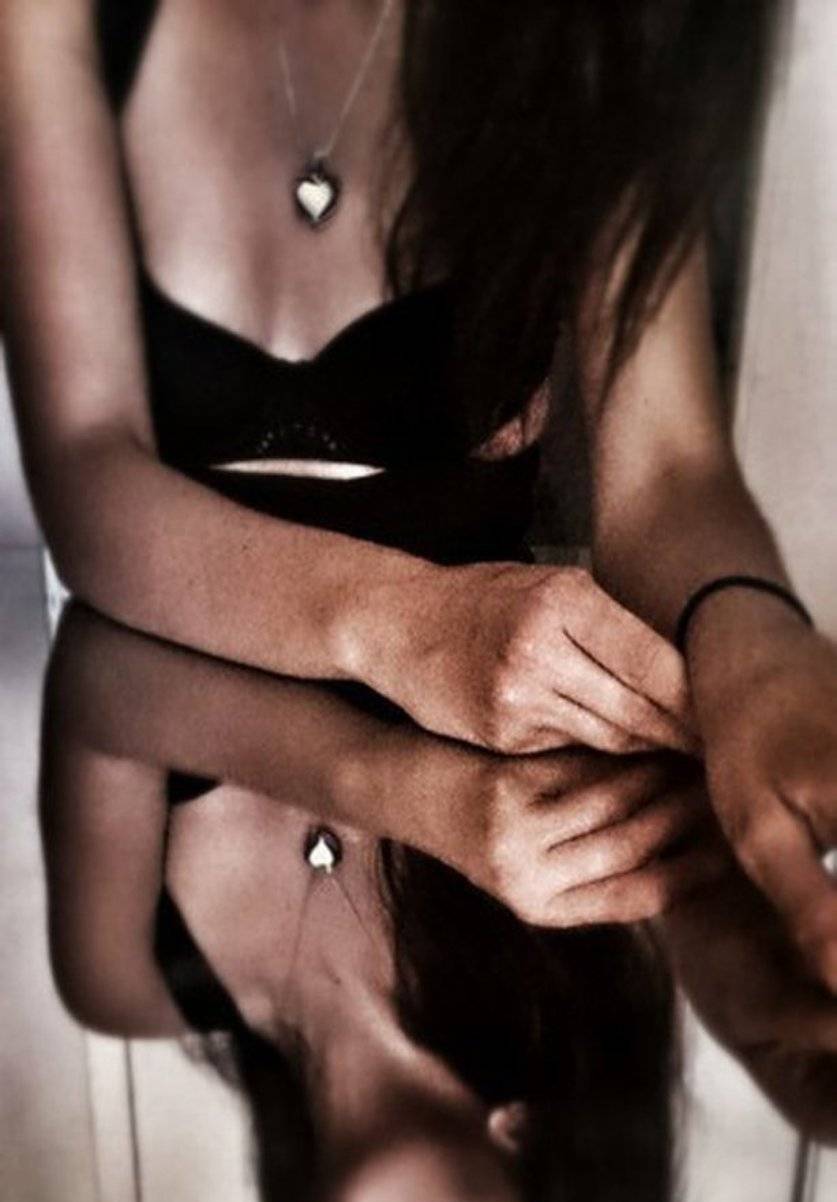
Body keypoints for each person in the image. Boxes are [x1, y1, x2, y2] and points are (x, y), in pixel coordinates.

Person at [2, 0, 837, 981]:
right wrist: (410, 633)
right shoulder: (52, 15)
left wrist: (759, 648)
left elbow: (665, 474)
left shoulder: (602, 36)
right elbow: (88, 472)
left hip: (516, 775)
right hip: (146, 686)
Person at [40, 603, 684, 1202]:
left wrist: (377, 782)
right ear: (534, 1151)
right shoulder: (531, 857)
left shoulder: (122, 983)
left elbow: (98, 667)